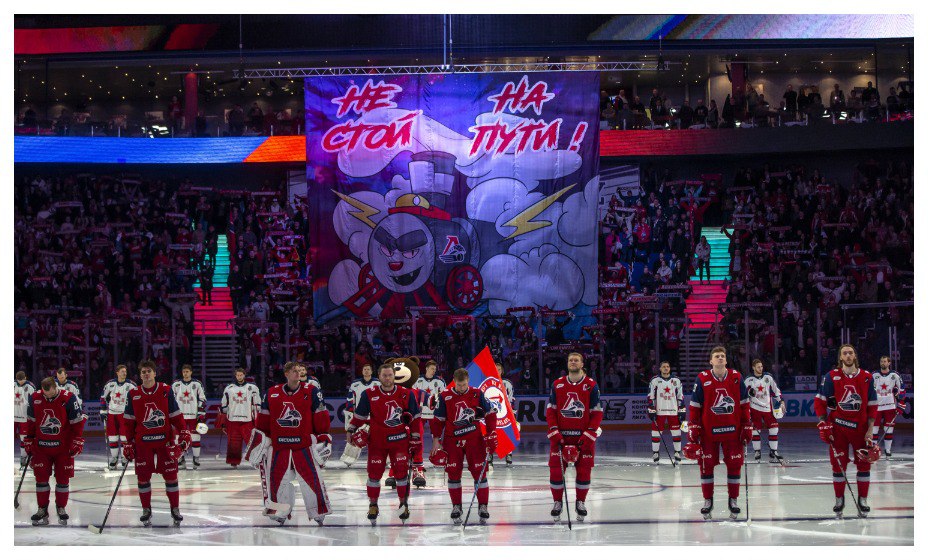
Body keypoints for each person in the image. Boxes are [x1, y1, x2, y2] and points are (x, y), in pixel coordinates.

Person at [244, 361, 332, 525]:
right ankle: (280, 510)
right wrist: (262, 440)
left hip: (304, 446)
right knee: (277, 481)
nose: (297, 373)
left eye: (299, 370)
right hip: (279, 447)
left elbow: (321, 417)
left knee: (311, 479)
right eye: (293, 370)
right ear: (286, 373)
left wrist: (324, 436)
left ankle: (318, 511)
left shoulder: (312, 391)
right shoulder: (271, 393)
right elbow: (263, 421)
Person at [347, 363, 421, 525]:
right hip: (377, 442)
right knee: (373, 475)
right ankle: (373, 505)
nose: (387, 378)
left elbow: (415, 418)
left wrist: (415, 438)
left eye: (390, 375)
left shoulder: (405, 394)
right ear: (379, 377)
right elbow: (359, 415)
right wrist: (351, 429)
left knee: (401, 474)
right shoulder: (369, 394)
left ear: (394, 376)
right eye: (384, 375)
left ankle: (403, 504)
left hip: (399, 441)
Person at [685, 346, 752, 520]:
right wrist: (693, 426)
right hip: (708, 432)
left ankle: (733, 500)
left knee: (735, 465)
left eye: (723, 356)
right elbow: (695, 406)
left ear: (726, 360)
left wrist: (746, 425)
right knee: (706, 466)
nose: (720, 358)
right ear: (711, 361)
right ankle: (708, 501)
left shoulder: (737, 377)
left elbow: (745, 404)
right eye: (717, 356)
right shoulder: (702, 378)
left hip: (733, 431)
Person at [122, 360, 191, 527]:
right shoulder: (133, 394)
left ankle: (175, 509)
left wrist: (183, 432)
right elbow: (128, 422)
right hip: (142, 443)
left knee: (171, 477)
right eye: (143, 372)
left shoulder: (166, 391)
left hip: (164, 442)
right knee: (143, 478)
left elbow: (175, 414)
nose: (146, 374)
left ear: (155, 373)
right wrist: (128, 443)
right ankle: (146, 509)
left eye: (149, 371)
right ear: (140, 375)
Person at [814, 344, 879, 517]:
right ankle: (839, 499)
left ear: (855, 356)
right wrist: (822, 422)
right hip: (838, 430)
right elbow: (820, 401)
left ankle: (863, 499)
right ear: (840, 358)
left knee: (864, 464)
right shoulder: (831, 376)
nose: (848, 355)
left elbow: (872, 405)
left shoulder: (867, 377)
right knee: (838, 466)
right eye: (845, 353)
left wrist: (871, 429)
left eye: (851, 353)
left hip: (861, 429)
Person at [430, 367, 497, 524]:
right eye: (459, 385)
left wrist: (491, 433)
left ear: (468, 382)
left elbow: (490, 413)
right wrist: (435, 440)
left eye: (464, 385)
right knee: (453, 473)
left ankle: (483, 506)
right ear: (454, 382)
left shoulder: (477, 393)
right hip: (452, 441)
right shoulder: (445, 396)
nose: (462, 388)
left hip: (475, 439)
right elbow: (437, 421)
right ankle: (456, 506)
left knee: (480, 472)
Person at [545, 352, 602, 523]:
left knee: (584, 471)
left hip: (583, 439)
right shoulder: (557, 384)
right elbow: (551, 411)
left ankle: (581, 502)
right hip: (560, 438)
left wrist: (588, 435)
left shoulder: (591, 385)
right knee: (555, 471)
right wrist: (555, 433)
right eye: (570, 360)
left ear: (582, 363)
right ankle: (557, 502)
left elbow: (597, 413)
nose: (573, 362)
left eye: (576, 360)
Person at [23, 377, 85, 526]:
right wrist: (29, 439)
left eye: (50, 395)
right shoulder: (35, 398)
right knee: (41, 480)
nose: (48, 398)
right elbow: (31, 422)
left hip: (64, 448)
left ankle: (61, 507)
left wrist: (77, 440)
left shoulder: (69, 398)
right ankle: (42, 508)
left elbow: (77, 422)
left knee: (63, 480)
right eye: (45, 395)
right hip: (41, 448)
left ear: (55, 387)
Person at [411, 360, 446, 487]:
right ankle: (417, 464)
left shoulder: (440, 382)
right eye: (431, 368)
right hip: (420, 414)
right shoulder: (418, 380)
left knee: (436, 437)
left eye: (435, 368)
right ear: (426, 368)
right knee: (417, 437)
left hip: (434, 414)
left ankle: (438, 459)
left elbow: (444, 397)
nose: (433, 370)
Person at [217, 367, 261, 468]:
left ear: (244, 375)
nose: (239, 376)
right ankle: (234, 461)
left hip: (248, 419)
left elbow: (257, 403)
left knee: (252, 441)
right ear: (235, 376)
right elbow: (224, 404)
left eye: (241, 375)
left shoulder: (252, 387)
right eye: (238, 375)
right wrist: (224, 416)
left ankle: (256, 460)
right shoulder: (229, 388)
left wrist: (256, 416)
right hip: (233, 419)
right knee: (233, 442)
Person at [744, 359, 784, 462]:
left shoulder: (768, 377)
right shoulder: (748, 379)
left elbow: (776, 390)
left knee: (774, 429)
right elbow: (743, 394)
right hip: (754, 408)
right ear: (753, 367)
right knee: (755, 431)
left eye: (761, 366)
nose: (760, 368)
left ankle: (773, 451)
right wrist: (749, 393)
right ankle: (757, 451)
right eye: (758, 367)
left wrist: (781, 401)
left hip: (768, 408)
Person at [340, 364, 380, 466]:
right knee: (356, 437)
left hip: (375, 416)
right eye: (364, 369)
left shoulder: (378, 383)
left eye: (368, 369)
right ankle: (348, 460)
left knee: (380, 438)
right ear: (362, 372)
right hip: (360, 416)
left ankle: (384, 460)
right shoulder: (355, 384)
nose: (366, 371)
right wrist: (350, 413)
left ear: (371, 371)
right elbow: (350, 400)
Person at [100, 364, 137, 469]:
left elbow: (137, 398)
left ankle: (125, 457)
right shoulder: (110, 384)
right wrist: (103, 411)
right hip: (112, 414)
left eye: (125, 371)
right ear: (117, 373)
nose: (124, 373)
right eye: (122, 371)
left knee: (124, 437)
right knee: (112, 437)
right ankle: (114, 458)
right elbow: (103, 397)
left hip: (124, 414)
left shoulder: (131, 385)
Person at [647, 361, 684, 463]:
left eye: (667, 366)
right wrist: (651, 408)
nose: (666, 368)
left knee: (676, 432)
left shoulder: (676, 380)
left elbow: (680, 396)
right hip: (659, 411)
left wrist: (682, 410)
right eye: (664, 367)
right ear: (660, 368)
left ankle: (677, 452)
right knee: (656, 432)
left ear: (670, 368)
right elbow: (651, 396)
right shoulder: (655, 380)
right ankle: (655, 453)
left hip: (674, 411)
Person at [171, 364, 207, 469]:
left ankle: (196, 459)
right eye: (184, 372)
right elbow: (171, 400)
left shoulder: (197, 384)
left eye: (187, 371)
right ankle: (180, 459)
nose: (185, 374)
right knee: (179, 438)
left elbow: (202, 399)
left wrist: (200, 413)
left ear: (191, 372)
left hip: (193, 416)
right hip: (179, 416)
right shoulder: (176, 384)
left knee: (195, 437)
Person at [871, 355, 906, 458]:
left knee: (889, 429)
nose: (883, 363)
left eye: (885, 361)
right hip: (876, 406)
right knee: (874, 429)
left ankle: (888, 450)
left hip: (890, 406)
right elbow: (868, 390)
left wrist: (901, 403)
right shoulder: (874, 375)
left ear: (889, 363)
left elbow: (902, 389)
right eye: (881, 361)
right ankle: (874, 450)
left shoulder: (895, 375)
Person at [15, 371, 36, 468]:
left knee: (24, 438)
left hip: (25, 417)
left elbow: (35, 401)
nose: (20, 383)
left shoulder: (31, 386)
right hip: (12, 415)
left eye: (22, 381)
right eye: (18, 381)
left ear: (25, 378)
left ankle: (24, 457)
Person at [500, 363, 516, 465]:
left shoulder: (507, 383)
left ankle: (508, 453)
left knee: (508, 433)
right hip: (493, 412)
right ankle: (489, 456)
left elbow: (511, 398)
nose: (496, 371)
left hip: (505, 412)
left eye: (498, 369)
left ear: (502, 371)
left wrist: (510, 411)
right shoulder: (487, 383)